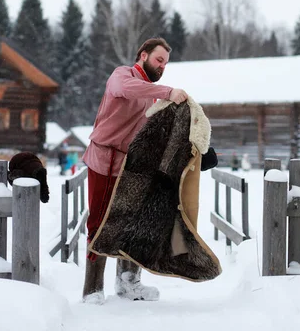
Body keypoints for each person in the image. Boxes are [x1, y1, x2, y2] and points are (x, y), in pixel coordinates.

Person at [82, 37, 213, 305]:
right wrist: (168, 92)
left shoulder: (153, 93)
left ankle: (128, 283)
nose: (162, 66)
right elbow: (128, 89)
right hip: (105, 159)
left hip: (133, 167)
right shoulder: (122, 76)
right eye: (159, 59)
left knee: (135, 223)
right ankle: (92, 289)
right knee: (100, 221)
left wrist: (201, 150)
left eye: (165, 63)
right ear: (143, 55)